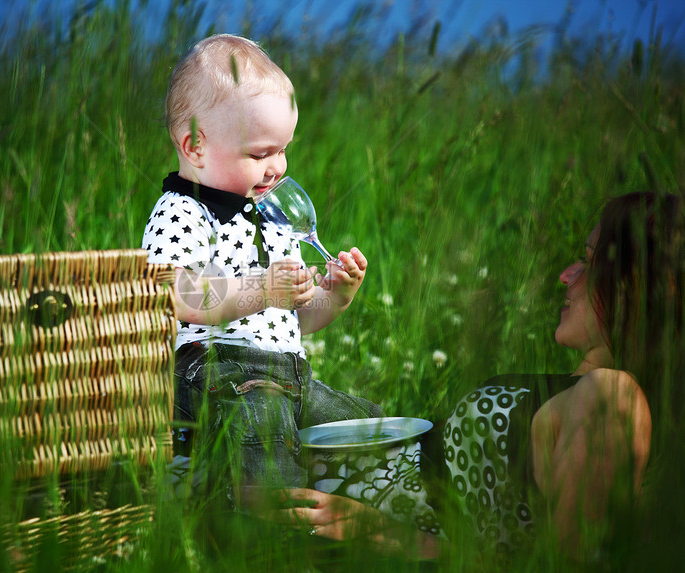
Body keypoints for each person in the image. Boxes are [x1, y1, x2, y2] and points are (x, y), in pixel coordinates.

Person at [248, 192, 684, 562]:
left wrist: (377, 531)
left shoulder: (615, 400)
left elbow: (560, 565)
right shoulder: (583, 391)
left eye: (589, 263)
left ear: (636, 288)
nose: (566, 275)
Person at [141, 34, 381, 490]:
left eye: (283, 149)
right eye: (260, 153)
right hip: (214, 373)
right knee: (261, 427)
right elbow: (175, 292)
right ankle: (264, 527)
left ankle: (364, 511)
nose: (278, 167)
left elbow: (295, 323)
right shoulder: (183, 211)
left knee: (363, 427)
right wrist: (263, 289)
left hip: (288, 375)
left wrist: (335, 295)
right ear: (194, 147)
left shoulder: (271, 217)